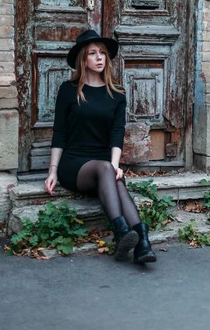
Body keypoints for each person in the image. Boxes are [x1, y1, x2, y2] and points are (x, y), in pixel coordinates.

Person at [44, 29, 156, 264]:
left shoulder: (116, 94)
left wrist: (116, 165)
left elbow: (117, 132)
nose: (99, 58)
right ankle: (122, 233)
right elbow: (60, 132)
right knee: (107, 170)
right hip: (74, 164)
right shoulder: (68, 90)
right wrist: (52, 171)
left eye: (102, 53)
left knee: (113, 176)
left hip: (104, 162)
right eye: (92, 53)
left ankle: (142, 243)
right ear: (83, 59)